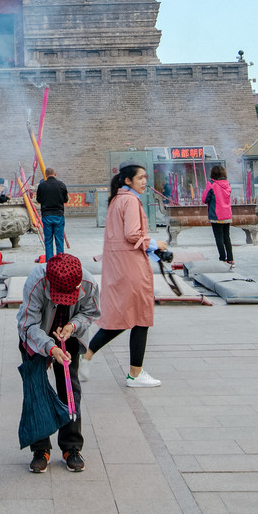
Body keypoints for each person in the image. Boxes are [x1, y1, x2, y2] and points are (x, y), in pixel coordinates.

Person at [17, 253, 100, 473]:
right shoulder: (37, 281)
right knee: (36, 389)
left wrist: (73, 326)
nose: (62, 300)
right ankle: (40, 449)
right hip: (36, 336)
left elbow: (91, 312)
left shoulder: (89, 283)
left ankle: (71, 447)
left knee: (70, 387)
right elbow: (28, 324)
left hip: (69, 334)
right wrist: (50, 348)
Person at [80, 163, 160, 388]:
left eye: (145, 177)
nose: (144, 181)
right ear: (128, 180)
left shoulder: (117, 199)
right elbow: (132, 234)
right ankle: (135, 375)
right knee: (140, 318)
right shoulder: (131, 201)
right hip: (131, 267)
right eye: (140, 178)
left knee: (122, 318)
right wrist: (155, 244)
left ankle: (86, 356)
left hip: (119, 266)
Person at [201, 165, 233, 265]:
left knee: (219, 238)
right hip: (227, 214)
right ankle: (230, 259)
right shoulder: (227, 184)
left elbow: (204, 199)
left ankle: (222, 258)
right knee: (226, 237)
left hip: (216, 214)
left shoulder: (211, 184)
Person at [35, 167, 68, 262]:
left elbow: (39, 200)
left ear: (45, 175)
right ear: (55, 174)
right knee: (59, 240)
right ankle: (60, 261)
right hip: (58, 215)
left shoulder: (42, 186)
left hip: (47, 215)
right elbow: (65, 200)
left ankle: (49, 262)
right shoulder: (61, 185)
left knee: (48, 240)